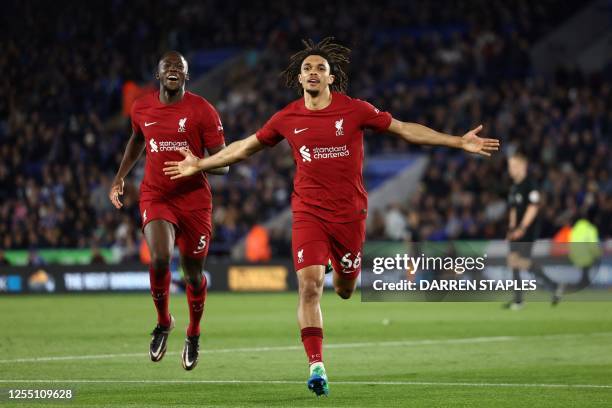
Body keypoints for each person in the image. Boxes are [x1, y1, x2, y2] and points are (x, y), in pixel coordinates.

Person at [162, 38, 499, 395]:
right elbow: (245, 147)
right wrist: (200, 163)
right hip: (308, 212)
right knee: (309, 287)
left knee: (344, 289)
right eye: (307, 68)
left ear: (331, 78)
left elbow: (404, 129)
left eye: (320, 68)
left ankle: (336, 267)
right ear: (300, 78)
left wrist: (457, 142)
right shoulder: (287, 117)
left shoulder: (354, 110)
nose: (312, 72)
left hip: (350, 216)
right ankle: (316, 365)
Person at [109, 51, 227, 371]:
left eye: (179, 67)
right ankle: (164, 323)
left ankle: (193, 332)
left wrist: (197, 165)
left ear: (186, 76)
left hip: (194, 202)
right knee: (160, 257)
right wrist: (120, 178)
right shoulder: (142, 107)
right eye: (168, 67)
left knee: (192, 275)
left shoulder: (202, 111)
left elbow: (225, 163)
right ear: (158, 75)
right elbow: (137, 140)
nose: (173, 70)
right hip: (157, 196)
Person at [505, 151, 560, 309]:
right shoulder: (514, 187)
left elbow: (533, 207)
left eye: (514, 166)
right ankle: (521, 298)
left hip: (528, 230)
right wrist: (511, 228)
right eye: (510, 166)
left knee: (517, 261)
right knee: (515, 261)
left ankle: (522, 299)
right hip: (517, 230)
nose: (511, 169)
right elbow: (513, 210)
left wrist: (522, 227)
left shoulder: (530, 184)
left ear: (523, 166)